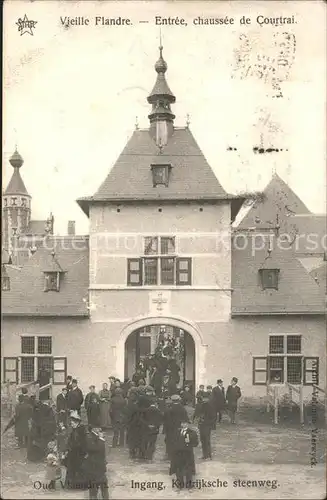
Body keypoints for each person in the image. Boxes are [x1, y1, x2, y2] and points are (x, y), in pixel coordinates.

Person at [169, 420, 198, 490]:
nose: (184, 424)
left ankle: (189, 486)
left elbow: (196, 444)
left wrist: (189, 442)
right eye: (182, 423)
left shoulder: (192, 433)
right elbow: (173, 441)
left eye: (185, 423)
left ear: (188, 424)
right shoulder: (177, 432)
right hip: (178, 453)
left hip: (188, 453)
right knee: (179, 469)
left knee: (188, 469)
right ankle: (180, 485)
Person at [63, 410, 88, 490]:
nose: (72, 424)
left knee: (79, 469)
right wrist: (67, 448)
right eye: (71, 423)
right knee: (72, 469)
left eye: (73, 423)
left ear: (77, 423)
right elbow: (70, 440)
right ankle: (72, 485)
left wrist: (73, 447)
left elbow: (82, 443)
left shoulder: (81, 430)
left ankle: (80, 486)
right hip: (73, 453)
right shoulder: (74, 430)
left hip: (79, 453)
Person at [85, 427, 109, 499]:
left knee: (103, 487)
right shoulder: (89, 437)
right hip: (94, 467)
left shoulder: (96, 436)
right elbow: (94, 449)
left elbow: (104, 452)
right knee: (95, 489)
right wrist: (101, 439)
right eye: (98, 427)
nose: (100, 429)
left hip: (99, 467)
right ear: (93, 428)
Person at [163, 394, 189, 460]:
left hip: (170, 428)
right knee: (179, 440)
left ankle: (169, 455)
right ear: (179, 400)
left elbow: (165, 419)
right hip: (179, 427)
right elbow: (186, 419)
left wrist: (164, 429)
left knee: (169, 441)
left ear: (172, 400)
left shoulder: (168, 408)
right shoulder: (182, 408)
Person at [193, 393, 216, 459]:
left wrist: (208, 423)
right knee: (202, 440)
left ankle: (208, 455)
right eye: (203, 398)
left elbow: (213, 417)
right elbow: (198, 414)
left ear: (208, 399)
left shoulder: (210, 406)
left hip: (207, 426)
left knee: (207, 440)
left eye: (205, 398)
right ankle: (205, 455)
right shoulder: (201, 405)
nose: (204, 399)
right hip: (201, 425)